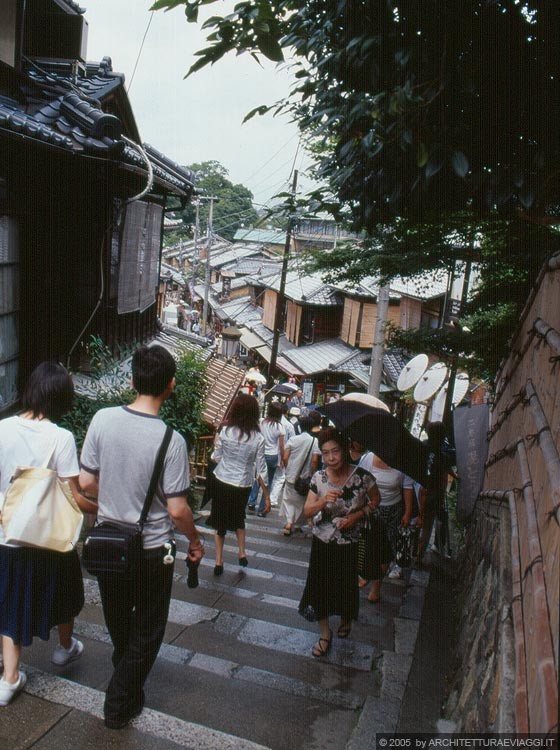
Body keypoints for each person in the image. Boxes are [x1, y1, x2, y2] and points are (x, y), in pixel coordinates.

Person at [79, 345, 203, 730]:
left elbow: (85, 482)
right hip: (151, 550)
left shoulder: (102, 419)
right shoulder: (172, 440)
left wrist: (115, 494)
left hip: (109, 544)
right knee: (148, 629)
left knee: (119, 622)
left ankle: (130, 690)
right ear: (170, 386)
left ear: (132, 381)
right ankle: (117, 703)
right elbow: (179, 510)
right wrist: (196, 543)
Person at [0, 362, 98, 707]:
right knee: (67, 589)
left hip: (7, 533)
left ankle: (9, 678)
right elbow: (73, 495)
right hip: (47, 538)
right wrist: (98, 508)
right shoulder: (61, 438)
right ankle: (64, 647)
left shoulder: (2, 428)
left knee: (8, 600)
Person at [298, 428, 380, 657]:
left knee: (345, 586)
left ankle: (346, 618)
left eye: (335, 451)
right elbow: (307, 511)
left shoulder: (363, 477)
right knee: (319, 587)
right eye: (326, 453)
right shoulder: (319, 478)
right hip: (322, 542)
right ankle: (325, 634)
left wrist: (356, 516)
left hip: (349, 544)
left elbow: (375, 501)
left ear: (344, 450)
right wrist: (323, 501)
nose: (331, 458)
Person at [206, 394, 270, 574]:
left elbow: (216, 457)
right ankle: (241, 552)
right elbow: (261, 467)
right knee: (238, 516)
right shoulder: (258, 438)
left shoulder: (225, 431)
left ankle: (219, 561)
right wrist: (266, 495)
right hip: (243, 483)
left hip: (222, 480)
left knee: (220, 521)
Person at [352, 446, 414, 600]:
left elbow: (407, 488)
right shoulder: (368, 459)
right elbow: (358, 481)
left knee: (386, 550)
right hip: (370, 509)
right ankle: (365, 572)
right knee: (367, 544)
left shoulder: (403, 462)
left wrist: (407, 513)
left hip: (393, 512)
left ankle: (376, 588)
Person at [280, 411, 322, 535]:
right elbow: (315, 460)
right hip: (305, 476)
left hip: (291, 474)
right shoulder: (315, 442)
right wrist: (312, 473)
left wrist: (288, 468)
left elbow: (285, 457)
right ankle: (297, 524)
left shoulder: (293, 439)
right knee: (300, 501)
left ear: (300, 427)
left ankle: (288, 523)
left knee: (288, 499)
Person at [247, 401, 285, 517]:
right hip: (273, 456)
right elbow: (281, 446)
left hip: (261, 453)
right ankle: (262, 509)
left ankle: (252, 501)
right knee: (268, 481)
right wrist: (282, 459)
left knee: (259, 477)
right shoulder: (280, 427)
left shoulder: (262, 422)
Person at [269, 403, 296, 507]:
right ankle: (273, 499)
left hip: (268, 452)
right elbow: (292, 441)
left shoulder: (268, 422)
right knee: (280, 477)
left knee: (266, 476)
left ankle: (259, 499)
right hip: (282, 453)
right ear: (286, 412)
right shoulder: (289, 425)